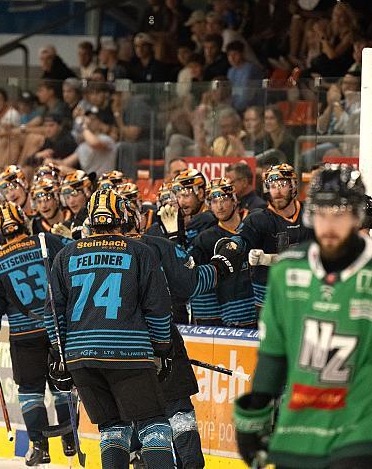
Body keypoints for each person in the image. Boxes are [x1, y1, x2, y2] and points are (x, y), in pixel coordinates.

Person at [234, 164, 372, 469]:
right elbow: (274, 352)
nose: (328, 226)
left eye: (338, 214)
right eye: (322, 214)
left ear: (356, 215)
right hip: (297, 433)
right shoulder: (288, 270)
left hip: (363, 431)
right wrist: (256, 411)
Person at [47, 188, 176, 468]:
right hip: (128, 354)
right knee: (153, 423)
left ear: (90, 221)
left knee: (112, 428)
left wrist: (60, 353)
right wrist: (161, 349)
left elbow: (54, 313)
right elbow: (158, 307)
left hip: (81, 357)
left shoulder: (66, 254)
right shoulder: (140, 252)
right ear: (123, 219)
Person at [121, 198, 241, 468]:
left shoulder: (87, 253)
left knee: (138, 414)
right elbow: (189, 285)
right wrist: (221, 267)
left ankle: (139, 459)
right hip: (161, 337)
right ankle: (190, 464)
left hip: (118, 343)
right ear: (136, 219)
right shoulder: (155, 245)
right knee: (178, 410)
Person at [0, 201, 73, 466]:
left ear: (0, 229)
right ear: (23, 220)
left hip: (24, 337)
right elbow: (74, 260)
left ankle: (40, 447)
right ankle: (70, 439)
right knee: (63, 384)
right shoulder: (46, 242)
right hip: (58, 330)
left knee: (30, 391)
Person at [232, 164, 313, 311]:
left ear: (293, 186)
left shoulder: (311, 215)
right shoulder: (257, 218)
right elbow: (239, 243)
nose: (277, 191)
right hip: (267, 303)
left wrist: (267, 259)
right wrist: (232, 249)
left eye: (282, 184)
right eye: (272, 185)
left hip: (305, 297)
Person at [192, 178, 255, 327]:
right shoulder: (205, 238)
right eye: (214, 201)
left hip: (259, 311)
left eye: (224, 199)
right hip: (231, 316)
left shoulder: (254, 227)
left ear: (234, 201)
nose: (219, 206)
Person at [150, 169, 217, 250]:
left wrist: (174, 235)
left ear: (200, 193)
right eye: (178, 197)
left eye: (186, 196)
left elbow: (185, 258)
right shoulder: (192, 218)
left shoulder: (206, 220)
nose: (181, 202)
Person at [51, 169, 92, 240]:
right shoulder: (67, 224)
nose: (71, 202)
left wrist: (72, 239)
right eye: (67, 197)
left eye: (74, 194)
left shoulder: (96, 217)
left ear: (87, 192)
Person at [226, 41, 264, 113]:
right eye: (229, 55)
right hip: (234, 108)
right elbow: (230, 92)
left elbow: (247, 96)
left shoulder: (250, 69)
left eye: (235, 54)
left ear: (242, 54)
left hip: (252, 108)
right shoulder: (230, 71)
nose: (232, 58)